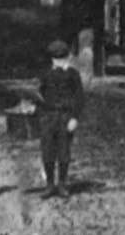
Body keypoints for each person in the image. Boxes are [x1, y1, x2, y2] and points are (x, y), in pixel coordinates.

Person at [36, 39, 86, 197]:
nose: (59, 62)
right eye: (56, 59)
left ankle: (62, 184)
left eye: (62, 59)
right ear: (52, 59)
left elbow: (79, 98)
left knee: (64, 152)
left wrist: (74, 118)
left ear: (67, 58)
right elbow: (38, 94)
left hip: (65, 116)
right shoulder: (45, 74)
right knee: (47, 151)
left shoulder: (73, 75)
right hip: (48, 117)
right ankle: (50, 184)